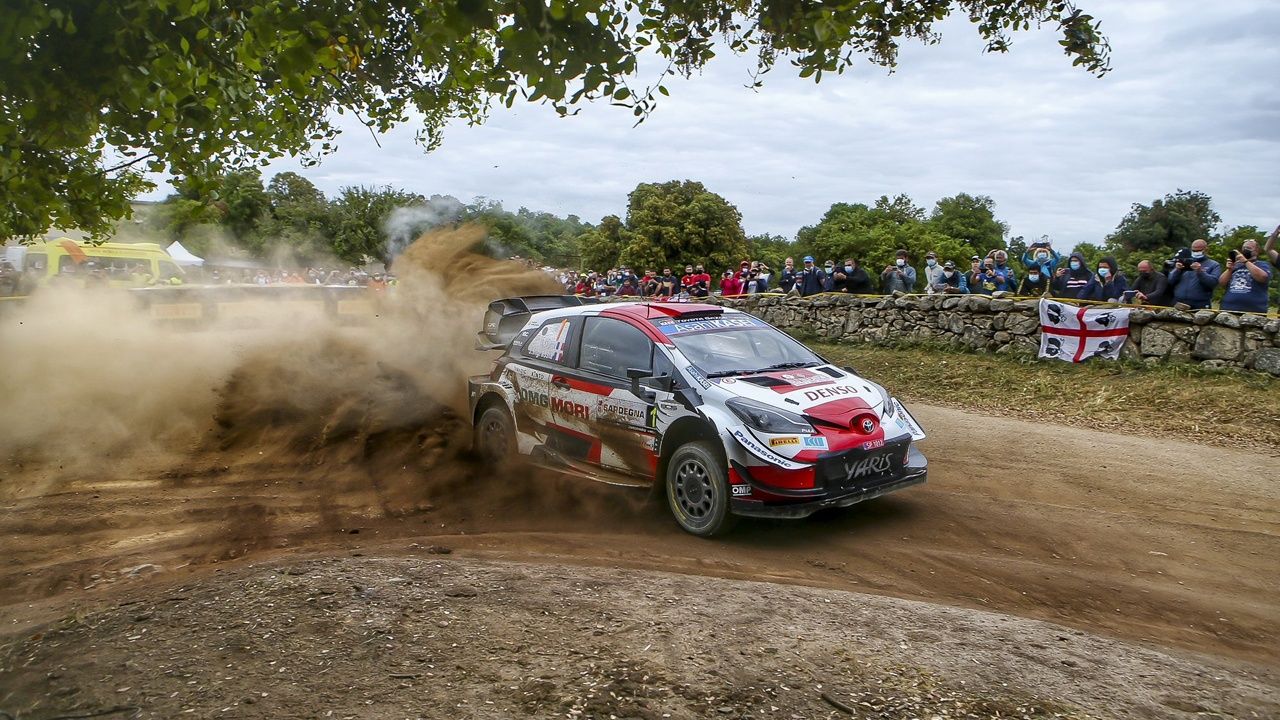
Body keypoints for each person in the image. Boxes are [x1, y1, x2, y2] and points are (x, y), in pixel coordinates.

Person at [1218, 239, 1273, 313]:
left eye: (1249, 248)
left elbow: (1263, 277)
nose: (1245, 250)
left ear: (1256, 251)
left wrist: (1246, 261)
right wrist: (1229, 270)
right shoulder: (1236, 265)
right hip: (1228, 308)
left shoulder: (1262, 264)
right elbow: (1221, 283)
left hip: (1253, 310)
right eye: (1244, 248)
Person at [1167, 238, 1220, 310]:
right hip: (1179, 302)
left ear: (1206, 250)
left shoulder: (1213, 265)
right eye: (1194, 250)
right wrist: (1177, 270)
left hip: (1200, 304)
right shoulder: (1184, 261)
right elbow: (1170, 281)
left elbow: (1212, 283)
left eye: (1198, 251)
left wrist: (1200, 271)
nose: (1196, 252)